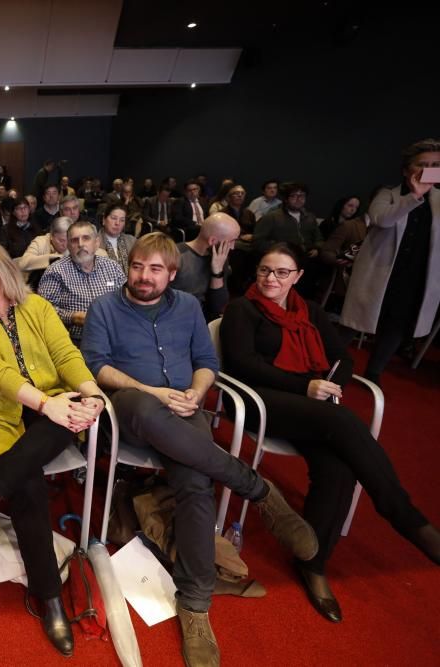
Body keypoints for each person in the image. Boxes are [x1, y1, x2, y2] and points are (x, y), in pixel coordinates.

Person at [81, 232, 319, 667]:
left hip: (184, 411)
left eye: (155, 269)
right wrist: (151, 390)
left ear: (172, 274)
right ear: (127, 266)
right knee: (145, 408)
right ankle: (257, 489)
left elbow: (206, 363)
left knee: (194, 481)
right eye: (137, 266)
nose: (144, 276)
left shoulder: (189, 307)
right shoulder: (105, 308)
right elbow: (96, 366)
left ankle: (194, 605)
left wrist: (194, 391)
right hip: (133, 410)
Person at [220, 243, 440, 623]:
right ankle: (404, 515)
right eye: (264, 271)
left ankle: (314, 562)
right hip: (260, 401)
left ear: (298, 276)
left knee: (338, 464)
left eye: (281, 272)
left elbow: (344, 358)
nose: (271, 279)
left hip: (309, 409)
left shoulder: (309, 312)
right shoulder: (242, 309)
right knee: (340, 423)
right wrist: (305, 387)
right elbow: (244, 365)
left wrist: (329, 383)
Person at [0, 241, 104, 656]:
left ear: (0, 276)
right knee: (30, 488)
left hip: (49, 409)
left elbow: (65, 355)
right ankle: (49, 596)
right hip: (0, 414)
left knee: (70, 413)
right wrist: (47, 404)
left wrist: (91, 394)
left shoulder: (37, 308)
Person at [341, 139, 440, 384]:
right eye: (422, 164)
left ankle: (374, 372)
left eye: (435, 165)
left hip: (418, 275)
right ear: (407, 169)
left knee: (397, 323)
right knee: (353, 321)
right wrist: (415, 196)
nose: (428, 169)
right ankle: (328, 361)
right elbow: (381, 219)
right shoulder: (389, 194)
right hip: (379, 271)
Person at [39, 221, 125, 342]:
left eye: (86, 238)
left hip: (113, 336)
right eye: (74, 240)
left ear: (96, 243)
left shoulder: (112, 267)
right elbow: (44, 311)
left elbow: (127, 300)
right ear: (68, 246)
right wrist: (72, 317)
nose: (80, 244)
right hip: (75, 340)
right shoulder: (56, 271)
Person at [172, 213, 239, 321]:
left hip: (203, 320)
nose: (232, 247)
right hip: (177, 319)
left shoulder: (220, 258)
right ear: (212, 241)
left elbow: (217, 306)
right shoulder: (175, 256)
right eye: (231, 241)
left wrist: (217, 272)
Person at [15, 215, 71, 286]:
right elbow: (23, 263)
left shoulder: (75, 243)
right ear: (51, 236)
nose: (65, 244)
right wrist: (53, 258)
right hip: (34, 286)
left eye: (68, 240)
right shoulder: (40, 241)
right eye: (61, 240)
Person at [99, 204, 137, 273]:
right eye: (114, 218)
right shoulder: (94, 242)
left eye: (122, 220)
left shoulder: (132, 241)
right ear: (104, 220)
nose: (117, 223)